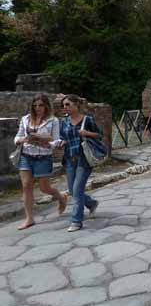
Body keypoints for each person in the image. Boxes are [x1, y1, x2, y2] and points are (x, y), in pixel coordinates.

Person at [13, 94, 67, 230]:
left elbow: (56, 140)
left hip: (43, 157)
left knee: (44, 188)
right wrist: (21, 140)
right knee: (26, 186)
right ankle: (29, 219)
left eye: (41, 105)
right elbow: (18, 136)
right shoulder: (25, 119)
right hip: (26, 155)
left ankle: (61, 197)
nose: (38, 108)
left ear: (46, 106)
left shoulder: (53, 120)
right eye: (35, 105)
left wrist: (47, 143)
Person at [58, 94, 101, 232]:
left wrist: (86, 133)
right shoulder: (63, 121)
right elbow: (62, 137)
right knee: (72, 190)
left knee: (77, 191)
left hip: (84, 159)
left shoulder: (87, 120)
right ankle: (92, 203)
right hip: (69, 159)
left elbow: (100, 135)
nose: (65, 107)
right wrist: (61, 142)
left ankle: (76, 221)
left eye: (68, 104)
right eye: (63, 105)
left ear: (77, 105)